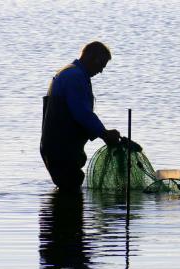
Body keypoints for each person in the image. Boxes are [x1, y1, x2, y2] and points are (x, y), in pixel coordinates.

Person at [40, 41, 120, 191]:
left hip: (58, 147)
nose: (101, 71)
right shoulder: (74, 77)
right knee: (71, 188)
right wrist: (104, 134)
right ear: (91, 57)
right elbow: (81, 113)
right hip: (61, 149)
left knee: (69, 190)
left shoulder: (68, 73)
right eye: (101, 64)